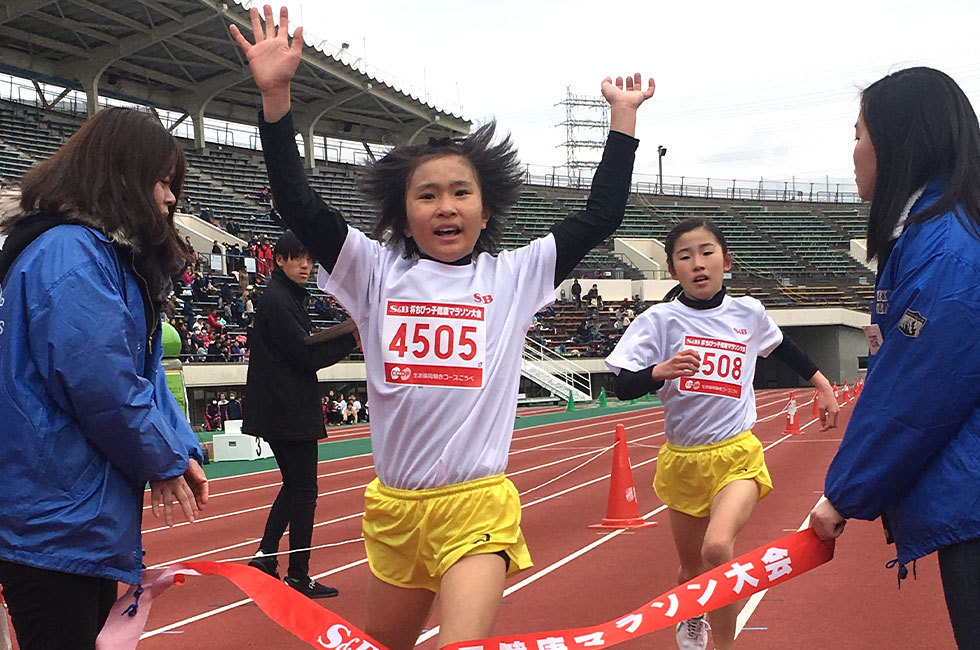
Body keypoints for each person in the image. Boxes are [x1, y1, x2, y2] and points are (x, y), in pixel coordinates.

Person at [230, 6, 653, 648]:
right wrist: (276, 99)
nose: (446, 206)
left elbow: (598, 217)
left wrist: (622, 124)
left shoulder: (513, 277)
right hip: (397, 509)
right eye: (427, 195)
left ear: (486, 212)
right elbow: (299, 204)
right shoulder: (372, 271)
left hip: (477, 506)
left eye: (461, 192)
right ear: (403, 217)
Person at [0, 107, 207, 650]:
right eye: (162, 181)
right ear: (120, 175)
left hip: (73, 512)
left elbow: (144, 371)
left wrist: (180, 448)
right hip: (49, 515)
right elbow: (101, 385)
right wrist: (162, 461)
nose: (170, 199)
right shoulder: (71, 254)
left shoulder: (104, 254)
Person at [605, 218, 838, 650]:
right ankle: (693, 615)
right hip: (683, 460)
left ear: (726, 261)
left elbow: (782, 346)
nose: (698, 263)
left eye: (707, 252)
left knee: (717, 549)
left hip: (737, 455)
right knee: (692, 571)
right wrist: (660, 371)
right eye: (685, 256)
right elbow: (619, 386)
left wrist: (822, 384)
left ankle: (724, 646)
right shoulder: (659, 320)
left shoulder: (747, 313)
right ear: (672, 271)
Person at [809, 67, 980, 649]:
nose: (853, 151)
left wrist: (844, 494)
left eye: (859, 134)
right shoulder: (932, 233)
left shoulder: (945, 247)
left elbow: (920, 388)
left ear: (899, 142)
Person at [243, 230, 358, 599]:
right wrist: (354, 334)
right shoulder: (279, 299)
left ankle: (266, 554)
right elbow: (307, 354)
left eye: (309, 257)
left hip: (283, 408)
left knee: (295, 486)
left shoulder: (285, 296)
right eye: (297, 257)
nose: (305, 264)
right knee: (304, 489)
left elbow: (304, 349)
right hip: (287, 410)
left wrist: (351, 330)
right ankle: (297, 572)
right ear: (279, 260)